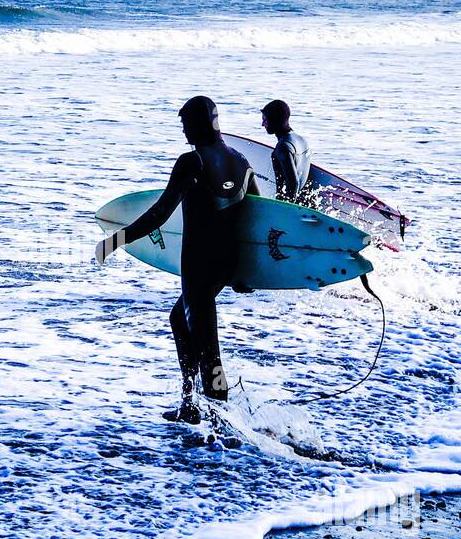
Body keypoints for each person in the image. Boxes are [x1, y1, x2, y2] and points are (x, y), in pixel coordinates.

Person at [95, 96, 259, 422]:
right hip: (224, 264)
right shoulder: (242, 162)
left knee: (208, 349)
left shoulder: (191, 161)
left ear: (199, 123)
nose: (183, 132)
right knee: (179, 321)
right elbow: (257, 218)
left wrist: (117, 240)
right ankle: (191, 401)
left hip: (199, 264)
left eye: (185, 124)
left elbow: (159, 213)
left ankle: (218, 419)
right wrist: (245, 273)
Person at [260, 99, 312, 203]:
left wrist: (286, 212)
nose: (262, 124)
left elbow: (294, 183)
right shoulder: (302, 141)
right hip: (303, 204)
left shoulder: (283, 147)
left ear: (274, 120)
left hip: (286, 207)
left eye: (265, 120)